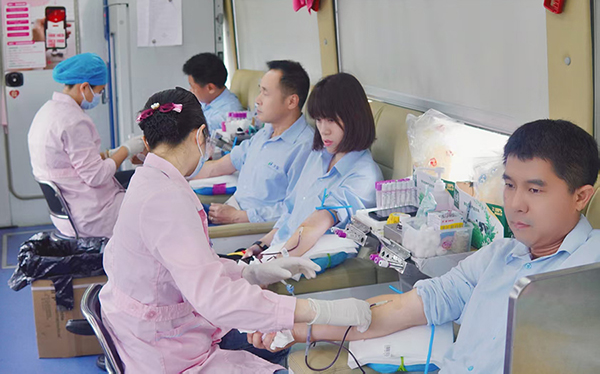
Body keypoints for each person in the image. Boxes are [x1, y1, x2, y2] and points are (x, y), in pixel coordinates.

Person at [251, 119, 600, 374]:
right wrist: (295, 326)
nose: (516, 204)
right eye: (510, 185)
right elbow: (397, 311)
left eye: (534, 190)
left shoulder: (591, 267)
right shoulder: (496, 257)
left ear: (581, 196)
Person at [99, 87, 373, 374]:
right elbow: (214, 297)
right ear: (201, 135)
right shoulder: (167, 199)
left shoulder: (147, 181)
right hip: (168, 351)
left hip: (153, 333)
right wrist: (317, 310)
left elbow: (193, 266)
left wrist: (250, 272)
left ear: (146, 141)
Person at [243, 72, 383, 260]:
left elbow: (315, 225)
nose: (323, 130)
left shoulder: (364, 176)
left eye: (331, 120)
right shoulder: (318, 156)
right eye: (319, 120)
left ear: (354, 118)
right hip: (275, 250)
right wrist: (263, 244)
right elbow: (291, 212)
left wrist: (273, 263)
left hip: (296, 263)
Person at [28, 53, 145, 238]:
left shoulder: (47, 112)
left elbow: (69, 163)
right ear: (84, 87)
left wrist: (108, 155)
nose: (99, 96)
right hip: (91, 216)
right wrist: (126, 149)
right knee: (155, 202)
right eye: (99, 91)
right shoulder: (73, 121)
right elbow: (96, 176)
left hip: (66, 213)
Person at [196, 60, 314, 225]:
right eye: (260, 91)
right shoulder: (265, 133)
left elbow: (297, 208)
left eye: (265, 93)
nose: (257, 100)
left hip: (250, 227)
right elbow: (219, 166)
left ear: (291, 102)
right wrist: (179, 172)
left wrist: (238, 216)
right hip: (230, 210)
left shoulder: (305, 148)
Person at [183, 52, 243, 133]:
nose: (191, 90)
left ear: (210, 88)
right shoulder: (207, 99)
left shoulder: (226, 115)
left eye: (193, 87)